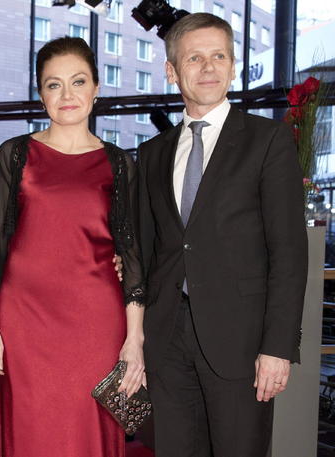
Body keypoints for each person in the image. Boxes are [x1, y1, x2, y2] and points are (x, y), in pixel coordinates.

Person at [137, 13, 307, 457]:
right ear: (172, 71)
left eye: (219, 56)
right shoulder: (152, 154)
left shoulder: (267, 141)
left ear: (232, 67)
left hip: (242, 343)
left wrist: (278, 348)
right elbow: (148, 250)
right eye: (194, 58)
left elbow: (288, 254)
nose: (208, 67)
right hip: (167, 341)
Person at [0, 37, 146, 457]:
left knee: (89, 428)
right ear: (41, 94)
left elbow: (132, 255)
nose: (67, 94)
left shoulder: (119, 163)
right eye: (54, 84)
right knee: (31, 429)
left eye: (78, 81)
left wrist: (135, 339)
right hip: (24, 320)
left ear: (96, 88)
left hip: (96, 321)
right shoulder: (15, 155)